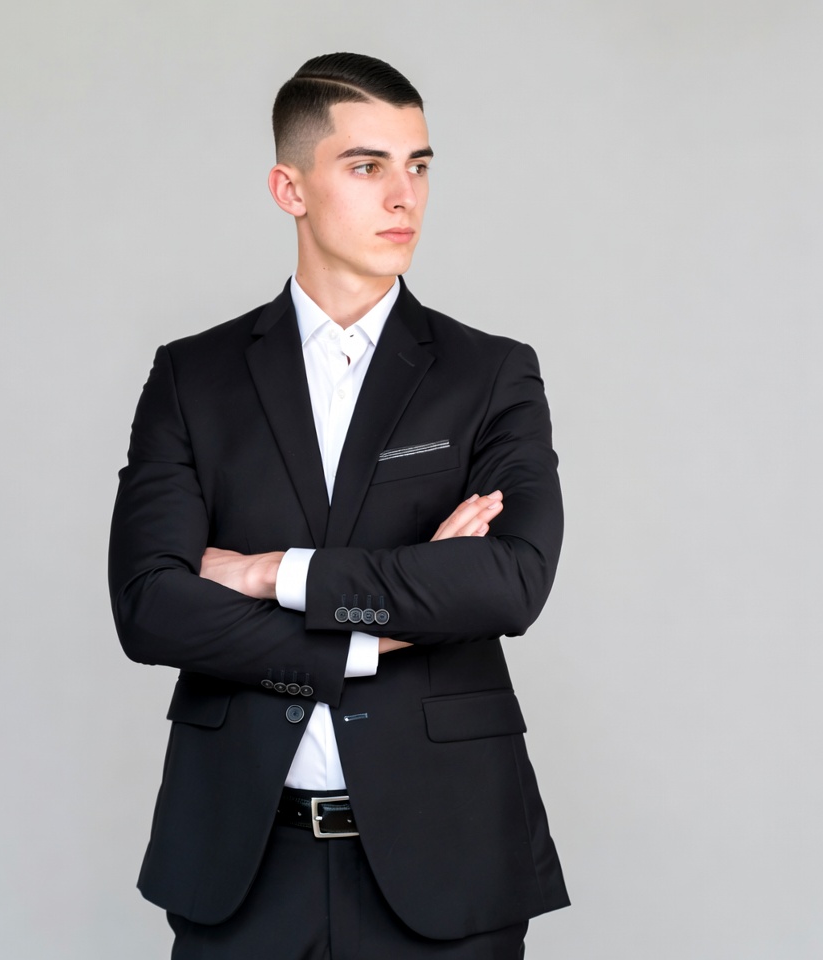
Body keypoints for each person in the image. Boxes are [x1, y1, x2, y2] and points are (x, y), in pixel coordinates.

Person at [108, 52, 569, 960]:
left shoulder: (491, 373)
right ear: (291, 187)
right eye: (367, 167)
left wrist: (273, 573)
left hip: (447, 859)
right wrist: (380, 629)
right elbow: (151, 606)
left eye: (419, 165)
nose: (404, 197)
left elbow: (509, 582)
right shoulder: (191, 377)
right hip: (243, 864)